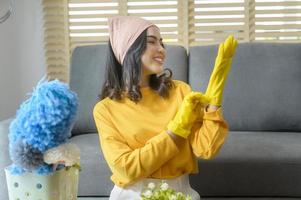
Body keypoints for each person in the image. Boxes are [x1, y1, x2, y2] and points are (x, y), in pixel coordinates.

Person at [93, 16, 238, 200]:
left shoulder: (180, 91)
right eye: (152, 42)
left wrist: (214, 100)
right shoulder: (105, 109)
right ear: (129, 48)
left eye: (162, 43)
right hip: (131, 194)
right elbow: (126, 169)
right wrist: (175, 131)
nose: (161, 49)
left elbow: (206, 149)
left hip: (179, 193)